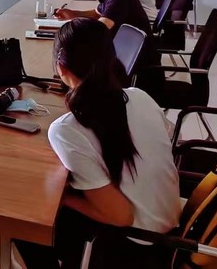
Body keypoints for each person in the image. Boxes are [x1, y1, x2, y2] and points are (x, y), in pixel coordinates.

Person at [16, 19, 180, 268]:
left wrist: (64, 199)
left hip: (137, 247)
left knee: (26, 218)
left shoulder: (66, 130)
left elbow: (121, 216)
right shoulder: (139, 96)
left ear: (61, 68)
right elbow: (163, 139)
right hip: (170, 227)